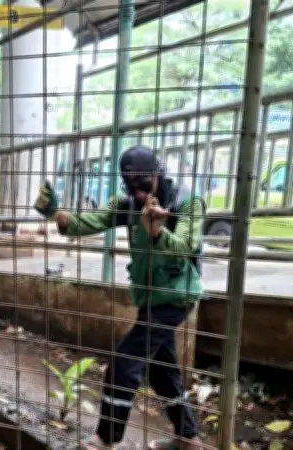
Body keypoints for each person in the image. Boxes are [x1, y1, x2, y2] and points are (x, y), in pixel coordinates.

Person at [33, 145, 206, 450]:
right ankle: (188, 438)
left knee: (125, 362)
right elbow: (84, 224)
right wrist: (55, 214)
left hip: (176, 297)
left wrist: (157, 231)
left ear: (158, 175)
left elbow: (186, 245)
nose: (138, 194)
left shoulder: (186, 201)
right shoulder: (125, 204)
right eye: (131, 187)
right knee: (161, 370)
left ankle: (105, 438)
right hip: (150, 298)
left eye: (144, 185)